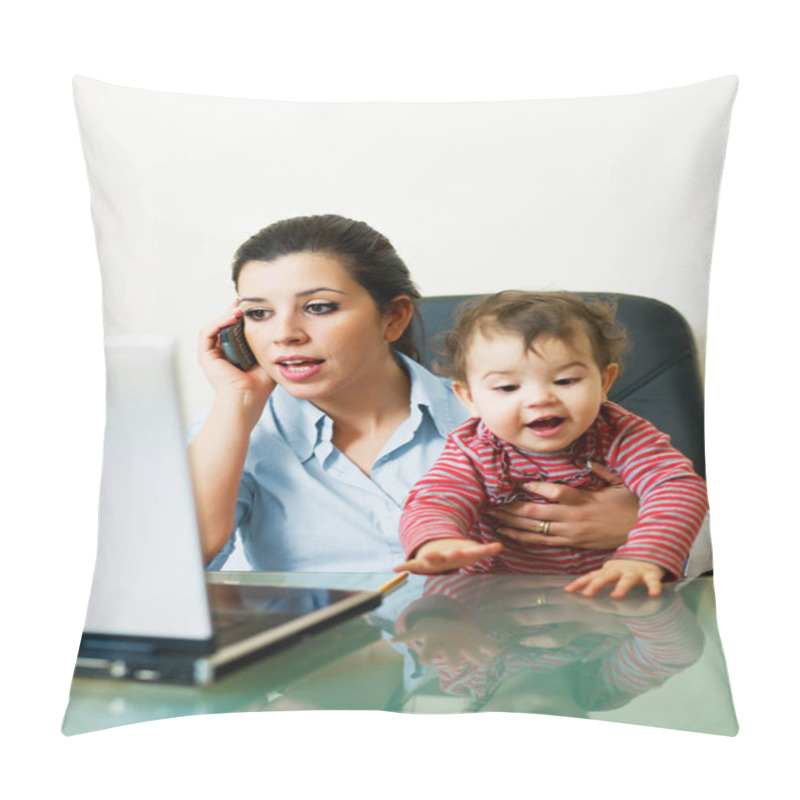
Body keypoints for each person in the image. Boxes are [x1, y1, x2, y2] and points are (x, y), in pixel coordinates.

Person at [188, 215, 639, 572]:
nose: (284, 334)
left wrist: (633, 527)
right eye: (259, 313)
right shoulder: (234, 431)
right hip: (319, 671)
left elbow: (687, 525)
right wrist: (235, 401)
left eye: (318, 307)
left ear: (394, 317)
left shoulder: (516, 410)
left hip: (499, 666)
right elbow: (174, 563)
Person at [395, 290, 708, 597]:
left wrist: (643, 555)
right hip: (499, 604)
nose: (540, 398)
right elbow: (435, 499)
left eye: (565, 381)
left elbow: (677, 487)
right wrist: (437, 542)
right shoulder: (475, 448)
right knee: (448, 627)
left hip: (607, 597)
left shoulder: (621, 434)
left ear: (605, 382)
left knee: (665, 643)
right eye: (507, 387)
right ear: (469, 398)